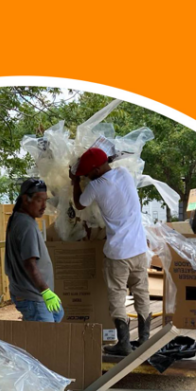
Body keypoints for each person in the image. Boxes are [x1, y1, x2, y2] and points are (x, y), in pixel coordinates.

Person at [72, 148, 151, 355]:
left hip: (118, 253)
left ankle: (123, 343)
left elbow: (79, 205)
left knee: (117, 295)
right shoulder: (124, 173)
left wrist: (74, 182)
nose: (87, 177)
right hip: (139, 248)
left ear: (97, 169)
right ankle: (144, 340)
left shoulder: (96, 186)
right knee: (141, 292)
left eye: (88, 173)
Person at [4, 177, 64, 322]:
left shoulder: (19, 219)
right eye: (39, 200)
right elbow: (29, 264)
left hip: (33, 295)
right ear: (26, 199)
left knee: (58, 315)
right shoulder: (26, 225)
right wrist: (45, 292)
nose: (44, 206)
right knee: (44, 340)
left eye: (45, 200)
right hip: (33, 296)